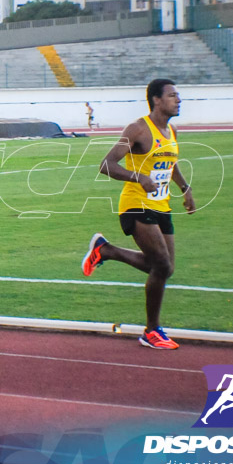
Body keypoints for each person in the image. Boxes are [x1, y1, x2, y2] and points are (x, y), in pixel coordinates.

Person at [81, 78, 195, 349]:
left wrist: (185, 187)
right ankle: (151, 331)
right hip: (136, 204)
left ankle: (105, 250)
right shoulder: (138, 129)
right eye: (172, 95)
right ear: (156, 100)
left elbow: (169, 163)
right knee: (162, 266)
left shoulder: (171, 131)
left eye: (178, 96)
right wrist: (137, 177)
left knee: (165, 269)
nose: (178, 100)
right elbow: (106, 164)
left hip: (161, 205)